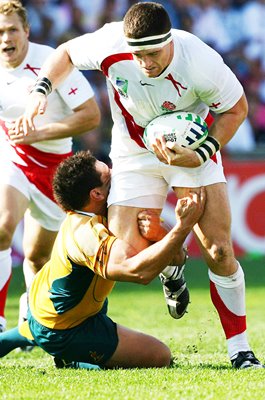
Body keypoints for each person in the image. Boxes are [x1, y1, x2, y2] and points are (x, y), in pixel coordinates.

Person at [15, 2, 264, 369]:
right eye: (137, 54)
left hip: (190, 148)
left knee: (220, 251)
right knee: (126, 254)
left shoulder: (198, 59)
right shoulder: (111, 42)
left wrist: (202, 153)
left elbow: (237, 108)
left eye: (152, 53)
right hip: (133, 152)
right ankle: (173, 264)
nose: (144, 62)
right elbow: (65, 52)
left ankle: (240, 350)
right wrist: (41, 90)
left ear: (169, 41)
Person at [0, 150, 205, 369]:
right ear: (96, 194)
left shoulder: (104, 213)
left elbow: (175, 253)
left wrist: (163, 231)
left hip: (48, 306)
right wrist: (182, 227)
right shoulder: (86, 233)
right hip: (66, 328)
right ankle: (74, 360)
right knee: (160, 356)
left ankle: (21, 336)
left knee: (31, 330)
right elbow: (139, 272)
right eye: (109, 174)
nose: (116, 173)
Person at [0, 0, 100, 333]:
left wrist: (38, 131)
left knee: (37, 256)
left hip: (55, 168)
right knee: (3, 227)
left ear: (26, 30)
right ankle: (0, 320)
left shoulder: (50, 62)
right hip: (13, 157)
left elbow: (90, 116)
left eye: (12, 29)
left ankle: (30, 316)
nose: (5, 38)